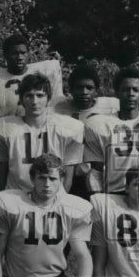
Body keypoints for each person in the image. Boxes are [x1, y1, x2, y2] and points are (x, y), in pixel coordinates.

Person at [0, 72, 84, 193]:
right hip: (17, 195)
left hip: (53, 196)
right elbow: (0, 174)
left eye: (40, 95)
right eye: (29, 95)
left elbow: (67, 177)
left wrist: (58, 200)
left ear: (48, 98)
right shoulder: (4, 129)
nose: (34, 101)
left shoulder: (68, 129)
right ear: (21, 99)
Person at [84, 67, 139, 197]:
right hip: (114, 194)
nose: (131, 94)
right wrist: (98, 199)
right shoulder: (102, 125)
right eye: (125, 89)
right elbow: (96, 171)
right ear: (117, 93)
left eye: (135, 90)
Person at [52, 63, 119, 199]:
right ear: (70, 89)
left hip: (98, 171)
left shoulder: (109, 109)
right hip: (67, 171)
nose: (84, 92)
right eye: (79, 87)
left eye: (89, 88)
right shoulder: (58, 109)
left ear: (97, 90)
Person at [0, 34, 63, 100]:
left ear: (28, 54)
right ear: (6, 55)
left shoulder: (40, 74)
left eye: (23, 53)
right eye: (15, 53)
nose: (20, 57)